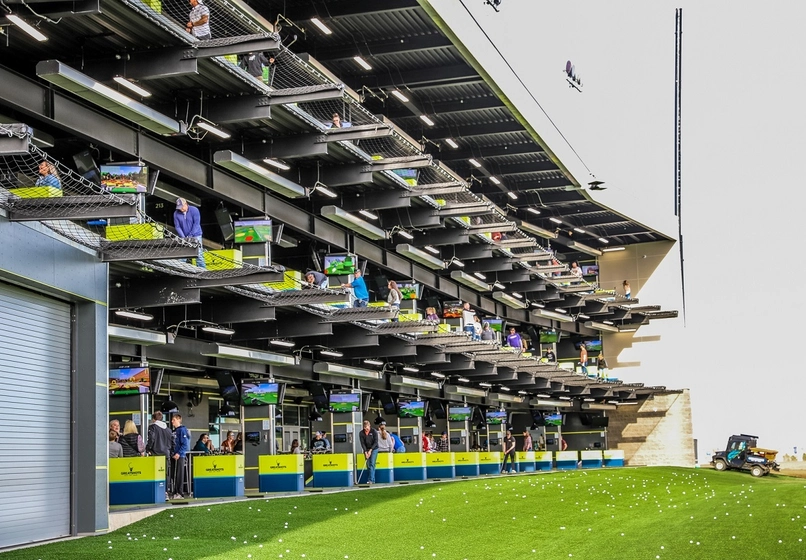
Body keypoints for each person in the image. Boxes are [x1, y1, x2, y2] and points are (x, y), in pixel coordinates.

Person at [174, 197, 206, 269]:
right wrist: (183, 237)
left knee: (199, 254)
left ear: (186, 204)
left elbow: (196, 224)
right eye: (179, 207)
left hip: (196, 235)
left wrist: (190, 235)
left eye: (181, 207)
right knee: (182, 255)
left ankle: (203, 270)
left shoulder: (194, 210)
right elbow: (177, 226)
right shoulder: (176, 214)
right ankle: (180, 270)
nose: (180, 209)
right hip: (184, 237)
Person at [170, 414, 191, 499]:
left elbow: (185, 444)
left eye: (174, 420)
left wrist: (179, 453)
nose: (172, 421)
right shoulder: (174, 431)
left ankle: (180, 492)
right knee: (173, 474)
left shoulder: (182, 430)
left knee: (179, 474)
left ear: (178, 420)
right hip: (174, 455)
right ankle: (175, 491)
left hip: (180, 455)